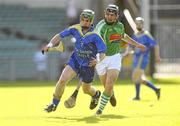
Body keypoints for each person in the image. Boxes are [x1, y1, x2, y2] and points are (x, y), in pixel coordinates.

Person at [64, 4, 146, 116]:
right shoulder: (100, 27)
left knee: (109, 83)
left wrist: (137, 44)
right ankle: (111, 94)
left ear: (117, 16)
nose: (109, 17)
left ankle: (100, 110)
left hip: (114, 58)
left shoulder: (120, 26)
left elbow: (123, 36)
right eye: (107, 14)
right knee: (106, 87)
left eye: (112, 15)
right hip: (100, 58)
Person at [42, 9, 107, 112]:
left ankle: (96, 94)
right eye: (83, 19)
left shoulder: (96, 35)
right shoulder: (75, 29)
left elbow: (103, 52)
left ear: (91, 21)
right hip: (75, 61)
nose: (84, 22)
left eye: (87, 20)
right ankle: (54, 104)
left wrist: (97, 60)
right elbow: (59, 36)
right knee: (62, 80)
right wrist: (50, 45)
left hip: (88, 65)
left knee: (86, 90)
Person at [130, 17, 161, 101]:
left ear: (142, 24)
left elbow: (155, 44)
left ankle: (138, 96)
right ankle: (155, 89)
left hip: (143, 58)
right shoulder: (135, 34)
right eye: (136, 23)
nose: (138, 25)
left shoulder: (146, 34)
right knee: (140, 79)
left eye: (139, 23)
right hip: (136, 58)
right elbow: (132, 46)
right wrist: (130, 52)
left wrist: (157, 56)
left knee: (135, 76)